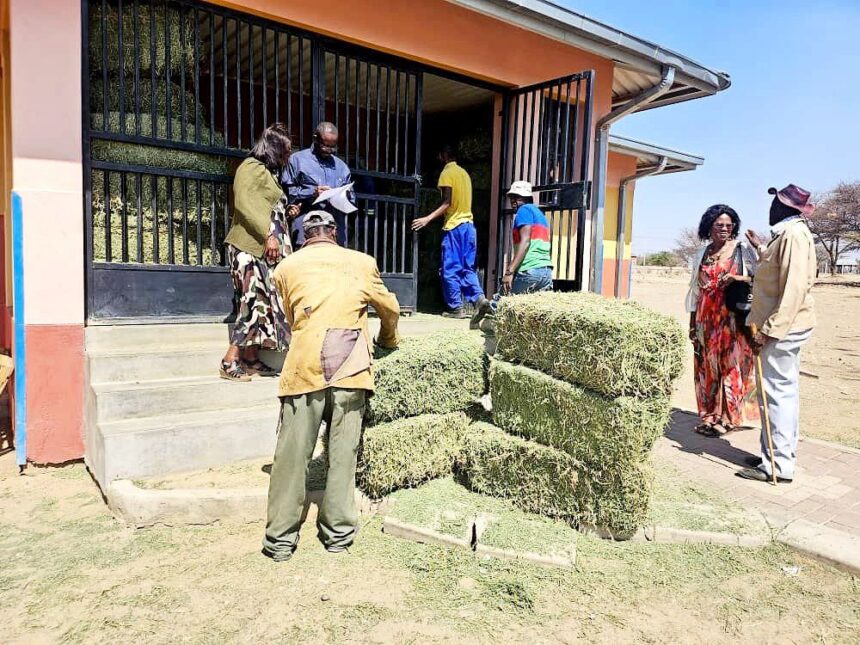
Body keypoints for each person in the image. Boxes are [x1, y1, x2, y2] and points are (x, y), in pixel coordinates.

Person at [262, 211, 400, 562]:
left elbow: (292, 318)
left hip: (304, 368)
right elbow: (390, 309)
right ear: (334, 233)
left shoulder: (285, 268)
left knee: (292, 458)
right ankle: (338, 535)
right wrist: (388, 340)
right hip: (351, 368)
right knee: (343, 456)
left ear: (304, 235)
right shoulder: (363, 263)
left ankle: (279, 541)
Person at [738, 185, 817, 483]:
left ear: (786, 208)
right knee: (781, 393)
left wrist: (769, 332)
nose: (771, 208)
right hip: (783, 326)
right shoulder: (787, 234)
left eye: (775, 204)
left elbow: (794, 288)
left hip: (782, 328)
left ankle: (777, 466)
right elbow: (776, 270)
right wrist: (761, 248)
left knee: (777, 395)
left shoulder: (794, 235)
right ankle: (772, 455)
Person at [220, 123, 297, 382]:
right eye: (285, 152)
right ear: (273, 149)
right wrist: (268, 234)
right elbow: (244, 203)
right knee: (251, 302)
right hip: (248, 248)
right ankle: (230, 360)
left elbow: (264, 206)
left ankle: (251, 359)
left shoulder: (267, 172)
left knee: (261, 303)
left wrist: (286, 213)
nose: (287, 157)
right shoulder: (251, 167)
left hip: (262, 249)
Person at [684, 205, 759, 436]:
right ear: (709, 226)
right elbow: (695, 290)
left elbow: (761, 278)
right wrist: (692, 324)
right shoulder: (701, 254)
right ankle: (709, 416)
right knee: (707, 369)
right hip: (706, 320)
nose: (725, 229)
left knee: (731, 368)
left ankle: (729, 418)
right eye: (719, 225)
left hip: (732, 319)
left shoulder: (742, 250)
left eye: (729, 225)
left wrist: (738, 277)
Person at [411, 144, 488, 318]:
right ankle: (479, 299)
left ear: (443, 156)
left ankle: (456, 308)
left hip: (454, 227)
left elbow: (447, 202)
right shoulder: (465, 174)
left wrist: (427, 219)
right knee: (468, 269)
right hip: (469, 226)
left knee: (450, 268)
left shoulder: (447, 173)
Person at [470, 180, 552, 330]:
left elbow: (525, 242)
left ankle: (485, 331)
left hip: (530, 270)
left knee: (500, 303)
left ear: (527, 198)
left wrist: (509, 271)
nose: (514, 201)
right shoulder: (540, 215)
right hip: (545, 272)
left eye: (518, 197)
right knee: (531, 312)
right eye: (512, 197)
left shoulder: (524, 211)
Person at [281, 121, 354, 248]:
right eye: (325, 146)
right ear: (315, 139)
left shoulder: (342, 167)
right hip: (306, 233)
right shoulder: (297, 160)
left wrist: (343, 195)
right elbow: (286, 194)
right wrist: (311, 194)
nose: (329, 151)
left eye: (333, 147)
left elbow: (352, 198)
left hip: (334, 234)